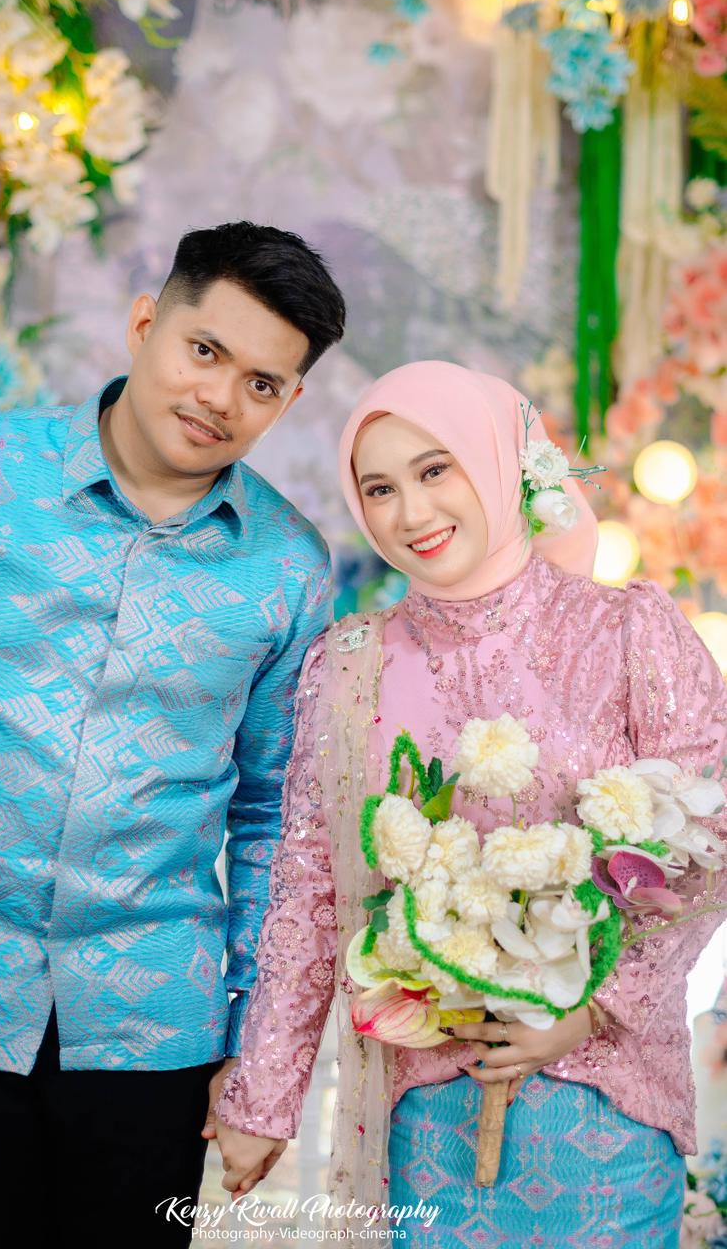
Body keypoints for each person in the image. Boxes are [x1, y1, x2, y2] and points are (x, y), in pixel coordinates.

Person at [0, 221, 346, 1248]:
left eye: (261, 383)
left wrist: (257, 1045)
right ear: (144, 325)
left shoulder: (289, 569)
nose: (219, 397)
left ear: (290, 400)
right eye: (205, 350)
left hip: (157, 1026)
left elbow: (274, 816)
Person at [214, 361, 727, 1246]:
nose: (411, 513)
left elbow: (708, 841)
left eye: (434, 470)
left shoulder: (626, 632)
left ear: (500, 462)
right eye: (380, 488)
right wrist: (263, 1098)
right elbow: (308, 896)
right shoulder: (350, 666)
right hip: (424, 1114)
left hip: (606, 1112)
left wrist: (588, 1008)